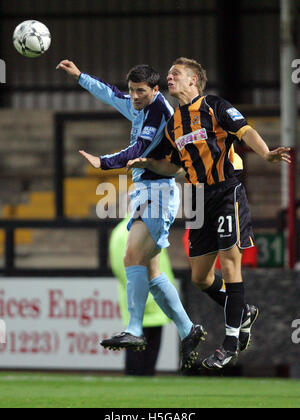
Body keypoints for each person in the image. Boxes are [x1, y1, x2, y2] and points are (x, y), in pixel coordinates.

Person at [127, 57, 291, 370]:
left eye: (177, 73)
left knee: (231, 263)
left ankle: (230, 342)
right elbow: (173, 165)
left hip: (227, 191)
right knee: (201, 277)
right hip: (200, 200)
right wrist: (148, 164)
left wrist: (267, 152)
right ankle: (242, 312)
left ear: (193, 81)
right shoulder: (175, 121)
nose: (170, 77)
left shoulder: (214, 106)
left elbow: (244, 131)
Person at [56, 60, 206, 370]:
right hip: (146, 192)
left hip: (159, 193)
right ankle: (188, 329)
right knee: (151, 274)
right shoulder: (139, 103)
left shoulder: (157, 113)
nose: (135, 97)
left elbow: (138, 149)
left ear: (154, 90)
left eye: (141, 91)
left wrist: (103, 162)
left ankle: (135, 330)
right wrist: (80, 76)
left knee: (131, 258)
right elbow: (112, 95)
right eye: (133, 91)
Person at [109, 215, 175, 376]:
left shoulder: (124, 230)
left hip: (144, 301)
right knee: (144, 361)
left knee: (138, 358)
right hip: (150, 301)